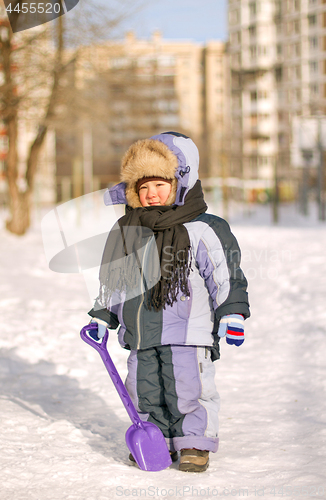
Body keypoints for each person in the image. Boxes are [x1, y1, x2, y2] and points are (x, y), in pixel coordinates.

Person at [87, 131, 250, 473]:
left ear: (180, 182)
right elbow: (115, 282)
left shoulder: (204, 228)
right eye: (142, 188)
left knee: (189, 388)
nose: (151, 194)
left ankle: (194, 442)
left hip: (188, 332)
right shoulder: (127, 230)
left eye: (159, 184)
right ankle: (156, 437)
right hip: (141, 335)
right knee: (144, 390)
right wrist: (102, 317)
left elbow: (224, 274)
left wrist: (231, 313)